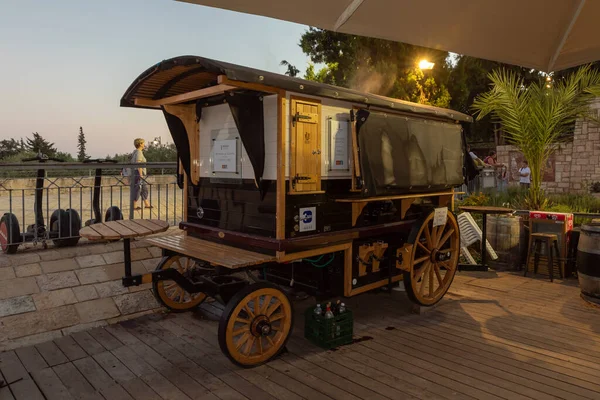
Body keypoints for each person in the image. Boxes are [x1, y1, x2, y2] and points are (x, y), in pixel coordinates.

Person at [130, 138, 152, 210]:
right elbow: (139, 164)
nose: (144, 144)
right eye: (143, 143)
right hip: (139, 172)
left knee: (143, 188)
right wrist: (141, 175)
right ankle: (134, 206)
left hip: (135, 172)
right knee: (138, 189)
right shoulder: (139, 152)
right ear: (140, 144)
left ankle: (146, 204)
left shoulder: (134, 152)